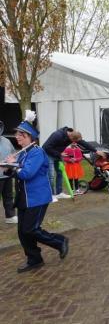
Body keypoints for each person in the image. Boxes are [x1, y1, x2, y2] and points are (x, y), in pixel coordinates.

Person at [3, 111, 69, 273]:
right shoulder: (24, 153)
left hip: (37, 198)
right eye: (17, 134)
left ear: (30, 137)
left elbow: (27, 173)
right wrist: (7, 168)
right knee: (22, 232)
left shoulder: (37, 152)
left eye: (21, 135)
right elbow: (15, 172)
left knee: (30, 229)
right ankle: (34, 259)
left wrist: (13, 165)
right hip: (24, 197)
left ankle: (59, 241)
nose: (17, 137)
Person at [42, 127, 104, 200]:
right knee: (51, 176)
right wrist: (59, 153)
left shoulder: (74, 136)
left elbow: (84, 143)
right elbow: (46, 147)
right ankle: (51, 195)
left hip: (58, 155)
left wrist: (96, 151)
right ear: (70, 137)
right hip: (48, 154)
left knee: (60, 174)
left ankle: (59, 193)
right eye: (72, 141)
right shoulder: (57, 135)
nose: (73, 143)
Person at [0, 120, 17, 223]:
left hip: (7, 174)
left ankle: (10, 216)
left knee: (9, 195)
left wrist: (13, 160)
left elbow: (13, 153)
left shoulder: (6, 141)